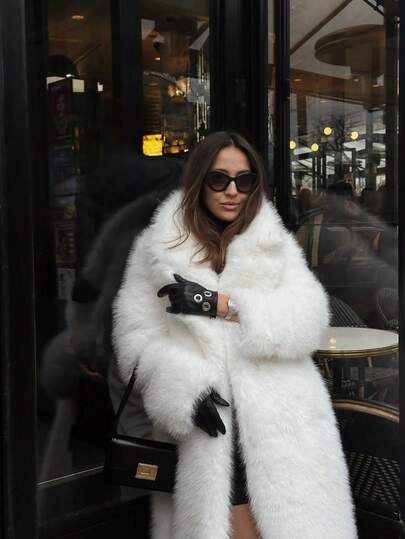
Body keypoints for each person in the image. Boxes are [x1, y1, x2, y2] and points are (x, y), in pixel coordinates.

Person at [112, 131, 357, 539]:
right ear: (199, 181)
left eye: (244, 181)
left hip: (282, 425)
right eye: (219, 179)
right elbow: (134, 341)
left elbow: (310, 319)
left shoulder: (271, 241)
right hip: (208, 427)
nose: (232, 191)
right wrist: (184, 391)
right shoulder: (157, 248)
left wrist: (222, 304)